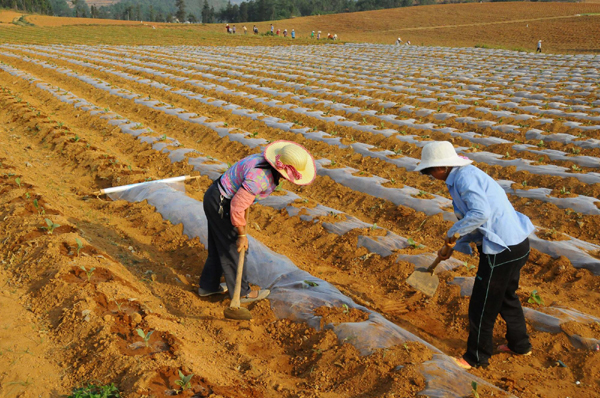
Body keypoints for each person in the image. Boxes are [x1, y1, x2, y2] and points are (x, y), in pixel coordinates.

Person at [415, 141, 534, 369]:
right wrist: (456, 243)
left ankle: (475, 357)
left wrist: (453, 232)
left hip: (502, 250)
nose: (430, 176)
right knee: (507, 296)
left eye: (429, 171)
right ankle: (520, 345)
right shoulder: (463, 175)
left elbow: (480, 213)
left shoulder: (464, 179)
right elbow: (478, 221)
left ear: (440, 168)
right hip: (517, 244)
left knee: (482, 305)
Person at [198, 141, 316, 303]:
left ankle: (208, 286)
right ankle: (241, 293)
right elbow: (237, 205)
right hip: (221, 203)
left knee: (219, 246)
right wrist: (241, 234)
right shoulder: (261, 178)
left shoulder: (261, 161)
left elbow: (243, 198)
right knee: (235, 248)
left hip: (216, 195)